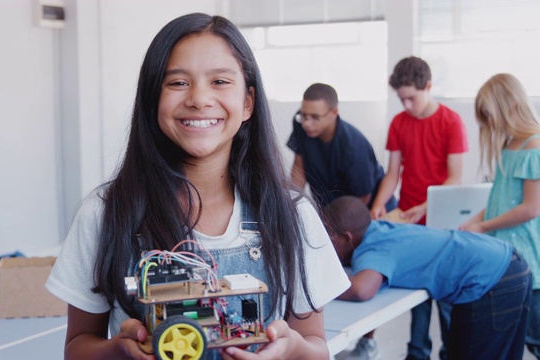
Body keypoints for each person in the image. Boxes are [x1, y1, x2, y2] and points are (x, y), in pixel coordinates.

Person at [45, 12, 350, 360]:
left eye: (220, 82)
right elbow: (78, 347)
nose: (199, 99)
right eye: (177, 83)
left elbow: (316, 347)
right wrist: (119, 351)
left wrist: (289, 348)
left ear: (247, 102)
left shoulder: (293, 215)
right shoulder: (104, 213)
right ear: (151, 99)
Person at [324, 196, 531, 360]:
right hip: (510, 263)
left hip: (491, 279)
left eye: (328, 240)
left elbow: (362, 289)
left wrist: (316, 285)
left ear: (347, 238)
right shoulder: (381, 229)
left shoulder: (371, 250)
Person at [369, 56, 468, 360]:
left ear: (428, 86)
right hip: (410, 218)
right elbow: (392, 173)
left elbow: (455, 177)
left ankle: (452, 352)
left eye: (412, 97)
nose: (407, 105)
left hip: (442, 217)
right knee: (417, 293)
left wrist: (425, 206)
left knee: (447, 294)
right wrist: (378, 204)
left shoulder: (451, 122)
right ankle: (417, 352)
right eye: (401, 99)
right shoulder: (399, 123)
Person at [459, 73, 540, 358]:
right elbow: (500, 199)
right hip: (506, 255)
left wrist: (483, 225)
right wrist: (475, 222)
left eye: (488, 114)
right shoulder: (509, 146)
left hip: (530, 259)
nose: (488, 122)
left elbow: (531, 208)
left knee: (535, 335)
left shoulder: (534, 145)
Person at [287, 83, 397, 212]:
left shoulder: (354, 148)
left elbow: (362, 198)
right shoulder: (300, 124)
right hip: (331, 211)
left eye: (315, 117)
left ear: (334, 113)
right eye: (304, 115)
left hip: (369, 212)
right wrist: (290, 204)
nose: (307, 123)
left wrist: (334, 224)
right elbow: (299, 169)